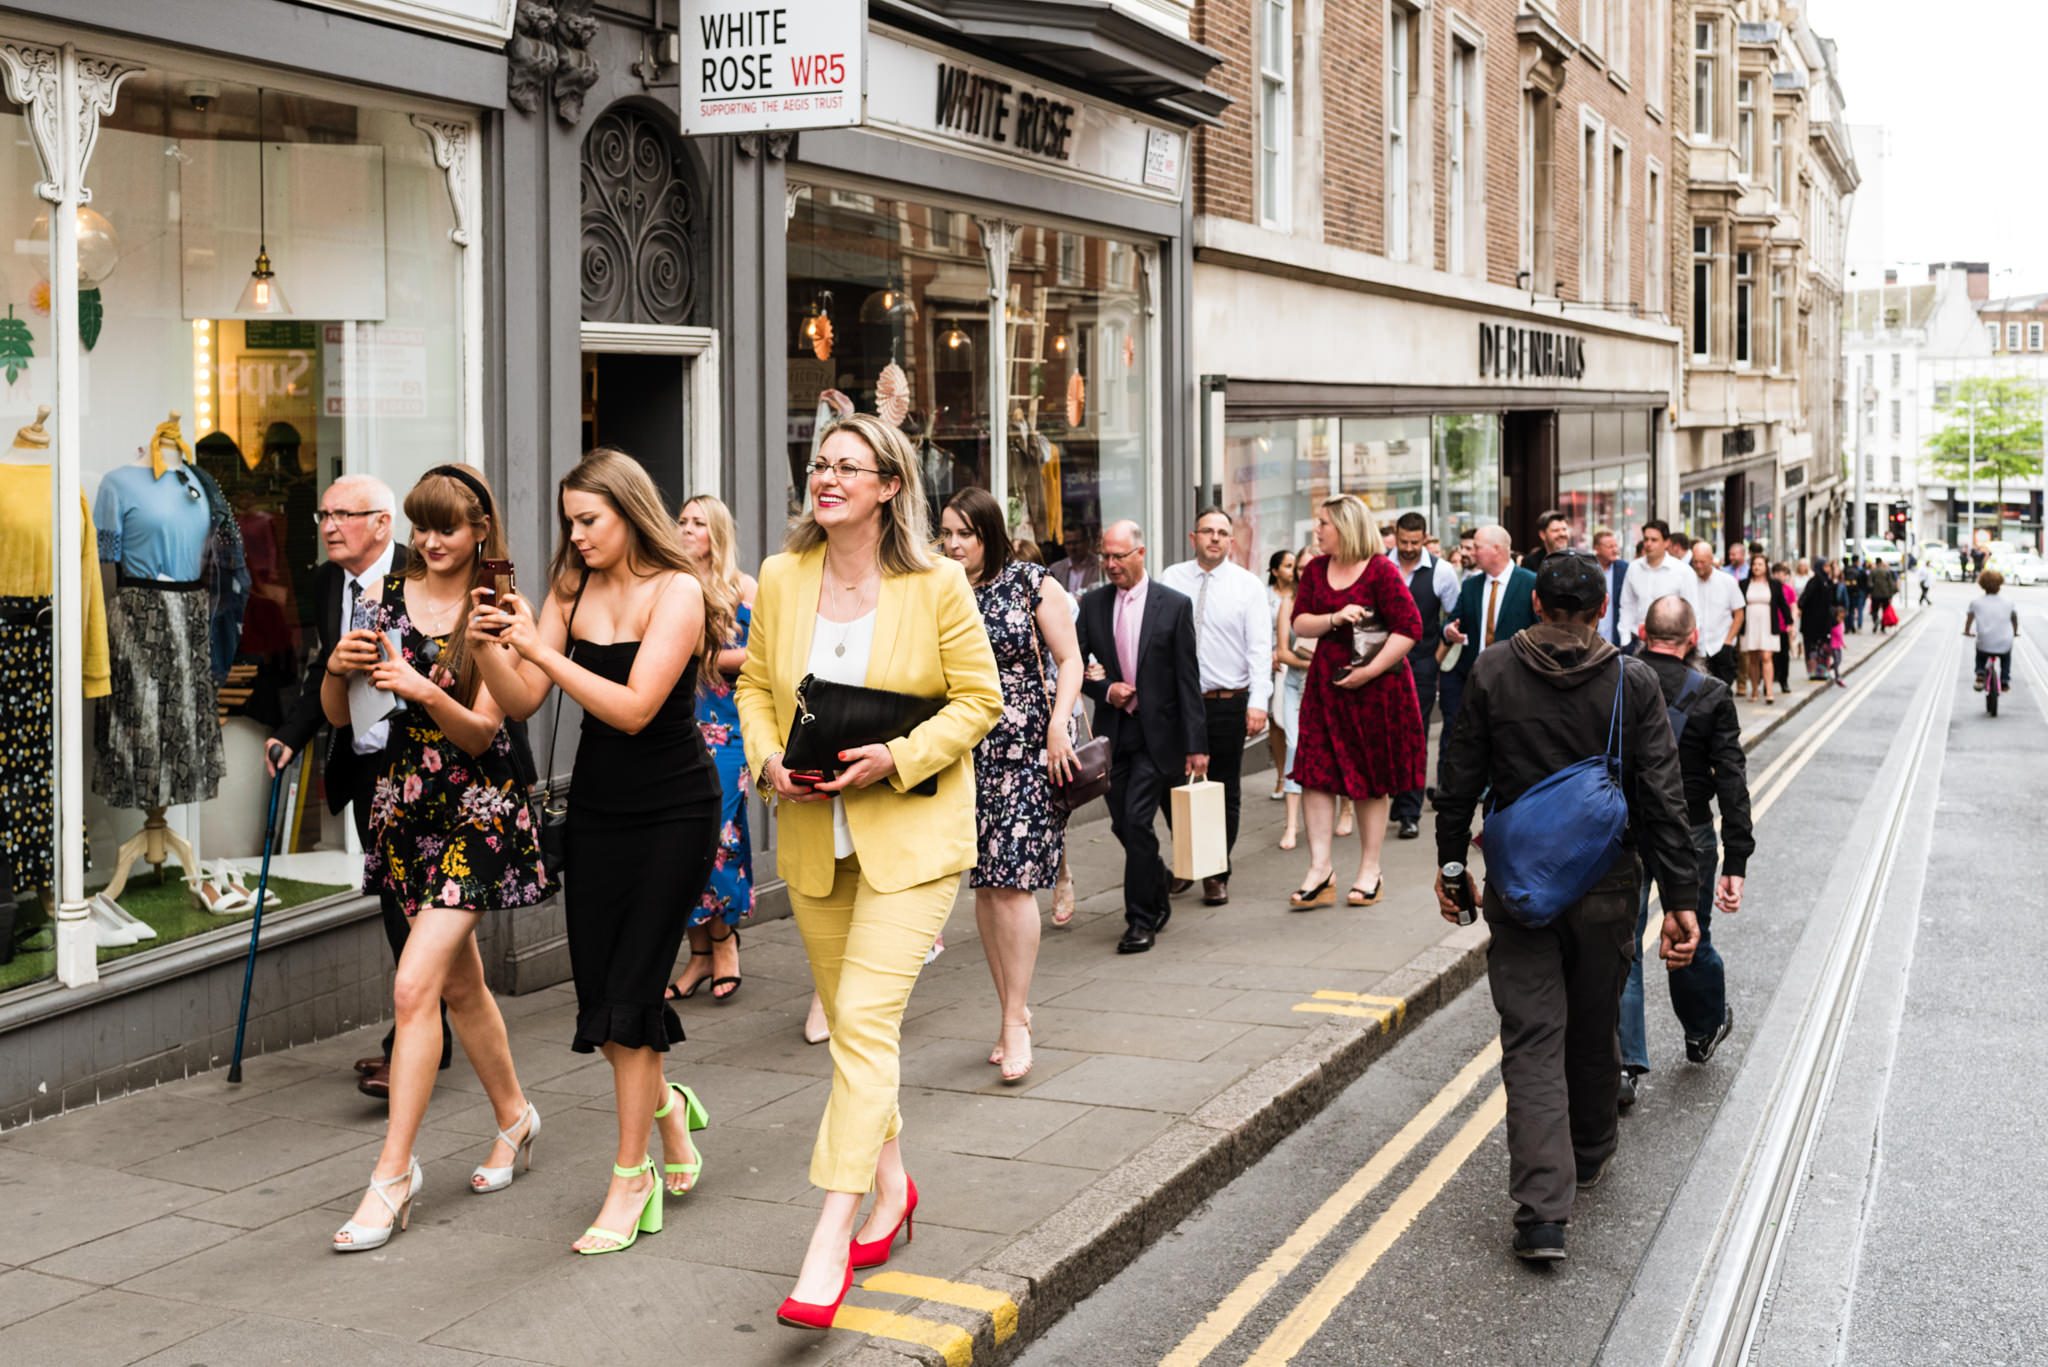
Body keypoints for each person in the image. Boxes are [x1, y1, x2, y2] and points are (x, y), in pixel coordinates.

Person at [734, 413, 1002, 1327]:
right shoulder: (781, 575)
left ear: (890, 485)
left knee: (864, 1023)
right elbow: (752, 686)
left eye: (848, 466)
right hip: (814, 832)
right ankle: (895, 1191)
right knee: (855, 1028)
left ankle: (828, 1235)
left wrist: (898, 755)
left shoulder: (936, 584)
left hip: (911, 838)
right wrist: (766, 758)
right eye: (820, 463)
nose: (827, 477)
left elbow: (980, 701)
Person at [468, 449, 727, 1254]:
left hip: (675, 810)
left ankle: (629, 1177)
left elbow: (635, 709)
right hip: (600, 810)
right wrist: (487, 646)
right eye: (568, 522)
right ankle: (670, 1111)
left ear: (629, 510)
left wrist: (539, 649)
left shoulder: (678, 587)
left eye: (590, 520)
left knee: (631, 990)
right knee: (607, 1008)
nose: (574, 537)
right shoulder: (571, 589)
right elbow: (520, 700)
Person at [1433, 555, 1700, 1261]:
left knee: (1530, 1039)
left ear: (1538, 605)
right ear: (1597, 612)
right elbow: (1662, 800)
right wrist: (1680, 901)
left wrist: (1453, 868)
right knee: (1591, 1024)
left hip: (1519, 887)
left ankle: (1541, 1214)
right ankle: (1588, 1149)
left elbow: (1458, 780)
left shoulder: (1492, 670)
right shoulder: (1631, 679)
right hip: (1607, 887)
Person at [324, 464, 548, 1252]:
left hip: (478, 811)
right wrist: (334, 669)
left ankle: (392, 1174)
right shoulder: (381, 598)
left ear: (480, 530)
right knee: (460, 983)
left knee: (414, 982)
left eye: (443, 528)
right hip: (402, 807)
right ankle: (517, 1118)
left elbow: (486, 731)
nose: (427, 542)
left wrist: (420, 687)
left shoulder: (500, 610)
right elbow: (343, 716)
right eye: (419, 527)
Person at [267, 474, 449, 1099]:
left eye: (345, 515)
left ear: (382, 523)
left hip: (425, 766)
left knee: (420, 913)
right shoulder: (326, 583)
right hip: (367, 768)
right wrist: (291, 734)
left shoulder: (422, 573)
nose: (328, 525)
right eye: (324, 514)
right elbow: (328, 667)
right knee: (398, 908)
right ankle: (428, 1039)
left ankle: (413, 1050)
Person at [938, 488, 1082, 1084]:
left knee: (1016, 885)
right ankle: (1010, 1011)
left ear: (988, 534)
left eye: (963, 535)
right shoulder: (940, 589)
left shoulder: (1030, 582)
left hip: (1025, 748)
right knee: (987, 886)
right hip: (965, 751)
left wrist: (1057, 725)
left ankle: (1016, 1022)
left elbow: (1069, 659)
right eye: (945, 533)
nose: (951, 545)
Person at [1617, 597, 1752, 1109]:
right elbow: (1732, 779)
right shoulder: (1714, 694)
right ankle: (1702, 1031)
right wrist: (1736, 859)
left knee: (1623, 947)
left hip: (1624, 830)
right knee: (1689, 936)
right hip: (1691, 832)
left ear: (1640, 631)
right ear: (1693, 638)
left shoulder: (1617, 681)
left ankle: (1626, 1065)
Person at [1076, 520, 1207, 954]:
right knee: (1123, 824)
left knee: (1135, 821)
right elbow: (1075, 667)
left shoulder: (1172, 605)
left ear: (1140, 553)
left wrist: (1197, 745)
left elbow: (1188, 679)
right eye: (1105, 557)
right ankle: (1156, 885)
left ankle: (1140, 921)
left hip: (1159, 736)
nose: (1110, 565)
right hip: (1114, 736)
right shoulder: (1092, 606)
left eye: (1118, 556)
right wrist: (1105, 689)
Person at [1287, 496, 1424, 909]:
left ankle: (1370, 870)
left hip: (1375, 691)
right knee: (1314, 774)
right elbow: (1299, 622)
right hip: (1326, 689)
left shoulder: (1381, 570)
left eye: (1323, 523)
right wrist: (1334, 618)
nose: (1317, 530)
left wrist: (1369, 671)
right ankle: (1320, 869)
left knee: (1370, 780)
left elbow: (1409, 627)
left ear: (1345, 527)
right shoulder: (1315, 569)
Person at [668, 494, 757, 1005]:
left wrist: (709, 655)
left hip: (728, 730)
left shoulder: (744, 587)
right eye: (682, 521)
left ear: (717, 532)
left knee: (718, 836)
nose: (686, 530)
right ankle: (698, 952)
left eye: (698, 523)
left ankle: (723, 942)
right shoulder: (669, 584)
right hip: (677, 723)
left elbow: (768, 651)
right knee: (678, 844)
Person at [1160, 508, 1274, 904]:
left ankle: (1216, 871)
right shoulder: (1171, 579)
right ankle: (1189, 859)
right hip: (1177, 704)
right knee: (1172, 784)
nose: (1214, 538)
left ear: (1231, 541)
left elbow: (1261, 650)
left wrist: (1259, 703)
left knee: (1223, 788)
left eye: (1222, 533)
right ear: (1193, 537)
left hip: (1226, 702)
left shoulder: (1248, 587)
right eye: (1207, 531)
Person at [1436, 526, 1538, 767]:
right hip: (1475, 678)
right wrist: (1449, 630)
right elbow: (1452, 620)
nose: (1470, 553)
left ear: (1497, 549)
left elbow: (1539, 629)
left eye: (1477, 547)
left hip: (1515, 680)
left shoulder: (1529, 583)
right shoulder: (1471, 585)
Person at [1387, 512, 1459, 840]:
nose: (1409, 548)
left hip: (1423, 665)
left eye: (1415, 543)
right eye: (1403, 542)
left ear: (1425, 538)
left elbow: (1455, 619)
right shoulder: (1382, 566)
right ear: (1396, 536)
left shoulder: (1443, 572)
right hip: (1382, 665)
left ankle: (1409, 811)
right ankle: (1394, 793)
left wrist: (1437, 657)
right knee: (1388, 733)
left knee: (1415, 735)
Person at [1275, 541, 1317, 850]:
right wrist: (1309, 662)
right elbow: (1282, 653)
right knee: (1293, 746)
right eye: (1300, 567)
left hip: (1327, 686)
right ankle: (1291, 825)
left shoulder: (1333, 600)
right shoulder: (1288, 602)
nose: (1305, 572)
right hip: (1294, 684)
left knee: (1330, 748)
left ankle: (1344, 809)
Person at [1616, 520, 1697, 648]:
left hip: (1671, 644)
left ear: (1666, 543)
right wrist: (1625, 640)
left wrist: (1688, 647)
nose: (1648, 544)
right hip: (1637, 641)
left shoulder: (1683, 571)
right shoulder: (1634, 568)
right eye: (1646, 539)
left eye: (1654, 540)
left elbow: (1693, 611)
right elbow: (1627, 606)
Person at [1688, 541, 1746, 687]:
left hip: (1720, 646)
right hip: (1696, 649)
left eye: (1702, 562)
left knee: (1723, 693)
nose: (1698, 565)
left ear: (1711, 560)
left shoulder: (1728, 581)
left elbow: (1739, 614)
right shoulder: (1687, 582)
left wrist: (1728, 641)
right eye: (1695, 561)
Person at [1266, 549, 1297, 799]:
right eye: (1287, 566)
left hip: (1292, 662)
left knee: (1293, 724)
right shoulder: (1264, 597)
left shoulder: (1300, 596)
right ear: (1275, 571)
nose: (1293, 570)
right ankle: (1281, 776)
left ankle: (1296, 775)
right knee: (1276, 722)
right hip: (1268, 664)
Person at [1965, 568, 2018, 692]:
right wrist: (2014, 632)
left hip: (1984, 642)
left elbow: (1969, 620)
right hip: (2004, 642)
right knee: (2006, 656)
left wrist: (1967, 631)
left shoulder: (1976, 602)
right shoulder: (2009, 602)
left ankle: (1979, 674)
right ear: (2000, 585)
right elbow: (2014, 620)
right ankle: (2004, 680)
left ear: (1982, 585)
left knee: (1980, 652)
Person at [1798, 557, 1837, 681]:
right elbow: (1802, 601)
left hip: (1823, 623)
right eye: (1825, 567)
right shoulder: (1814, 582)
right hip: (1812, 624)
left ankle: (1822, 672)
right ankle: (1814, 672)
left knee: (1823, 648)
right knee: (1812, 648)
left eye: (1828, 567)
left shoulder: (1827, 582)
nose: (1828, 569)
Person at [1593, 527, 1630, 647]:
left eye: (1616, 546)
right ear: (1597, 549)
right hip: (1593, 637)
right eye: (1610, 547)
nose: (1615, 550)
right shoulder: (1588, 569)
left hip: (1616, 639)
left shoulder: (1624, 569)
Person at [1047, 523, 1104, 597]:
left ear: (1087, 542)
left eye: (1076, 543)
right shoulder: (1055, 569)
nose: (1072, 547)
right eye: (1068, 543)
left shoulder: (1099, 565)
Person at [1771, 562, 1798, 692]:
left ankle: (1784, 681)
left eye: (1781, 573)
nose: (1778, 576)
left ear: (1786, 575)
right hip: (1771, 627)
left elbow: (1793, 607)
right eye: (1775, 573)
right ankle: (1769, 682)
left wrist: (1791, 625)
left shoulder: (1788, 590)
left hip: (1783, 627)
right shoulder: (1769, 588)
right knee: (1770, 657)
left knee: (1784, 656)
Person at [1520, 509, 1571, 579]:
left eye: (1564, 529)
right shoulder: (1530, 562)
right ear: (1542, 535)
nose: (1562, 534)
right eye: (1556, 530)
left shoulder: (1578, 560)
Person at [1868, 556, 1898, 634]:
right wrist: (1891, 594)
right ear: (1881, 563)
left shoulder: (1873, 571)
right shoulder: (1886, 571)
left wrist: (1870, 592)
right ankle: (1882, 627)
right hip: (1885, 595)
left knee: (1874, 611)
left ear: (1876, 563)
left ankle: (1876, 620)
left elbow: (1869, 583)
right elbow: (1891, 584)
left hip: (1875, 595)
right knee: (1885, 612)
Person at [1844, 556, 1869, 632]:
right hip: (1859, 592)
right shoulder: (1861, 570)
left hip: (1849, 591)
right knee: (1860, 609)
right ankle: (1859, 625)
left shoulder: (1848, 569)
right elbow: (1866, 581)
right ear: (1857, 561)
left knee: (1850, 609)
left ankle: (1850, 626)